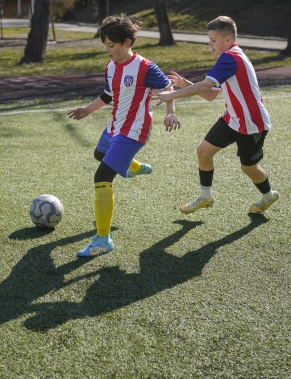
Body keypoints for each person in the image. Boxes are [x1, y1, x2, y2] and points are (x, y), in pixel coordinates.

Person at [68, 14, 180, 258]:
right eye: (105, 45)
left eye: (111, 45)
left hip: (134, 131)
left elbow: (168, 88)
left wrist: (170, 113)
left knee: (102, 177)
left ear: (127, 43)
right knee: (100, 154)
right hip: (115, 126)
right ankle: (132, 168)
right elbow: (108, 95)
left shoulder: (145, 67)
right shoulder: (110, 67)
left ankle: (102, 239)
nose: (108, 50)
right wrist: (87, 110)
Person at [152, 15, 279, 215]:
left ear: (227, 40)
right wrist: (184, 84)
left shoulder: (231, 58)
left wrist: (172, 94)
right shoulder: (228, 58)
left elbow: (206, 85)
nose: (210, 45)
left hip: (251, 123)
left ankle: (268, 195)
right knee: (203, 151)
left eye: (213, 40)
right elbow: (211, 95)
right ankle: (205, 197)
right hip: (233, 118)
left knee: (248, 167)